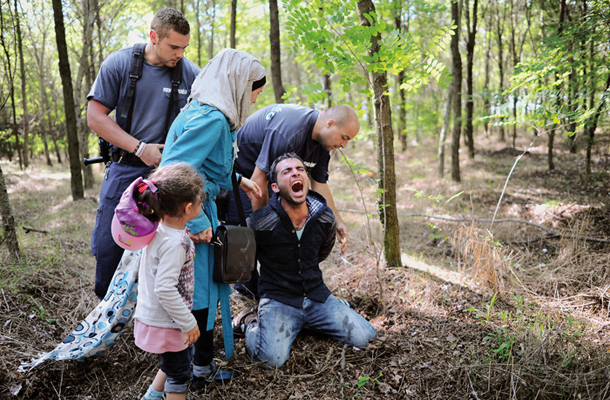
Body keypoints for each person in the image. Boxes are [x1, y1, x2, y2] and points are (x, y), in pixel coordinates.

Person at [159, 48, 265, 387]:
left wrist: (238, 179)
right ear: (236, 83)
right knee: (197, 295)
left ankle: (197, 367)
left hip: (192, 209)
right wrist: (198, 222)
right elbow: (174, 172)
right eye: (255, 88)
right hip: (191, 214)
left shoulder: (200, 110)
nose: (256, 96)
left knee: (199, 293)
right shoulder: (212, 118)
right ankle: (190, 373)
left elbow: (204, 165)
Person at [87, 8, 200, 300]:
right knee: (109, 247)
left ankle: (150, 313)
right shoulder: (120, 63)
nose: (180, 54)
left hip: (169, 177)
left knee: (165, 247)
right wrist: (140, 148)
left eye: (184, 47)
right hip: (126, 168)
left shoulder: (192, 74)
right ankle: (107, 309)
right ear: (153, 36)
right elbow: (95, 117)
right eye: (174, 46)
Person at [233, 153, 377, 368]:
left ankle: (319, 316)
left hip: (317, 297)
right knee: (270, 360)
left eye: (300, 169)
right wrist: (260, 297)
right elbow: (246, 266)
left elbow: (320, 254)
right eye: (287, 171)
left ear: (307, 180)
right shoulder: (259, 222)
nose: (295, 173)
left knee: (366, 337)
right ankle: (249, 322)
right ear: (275, 187)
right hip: (278, 301)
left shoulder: (325, 217)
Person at [227, 103, 360, 299]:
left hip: (271, 179)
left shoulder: (323, 144)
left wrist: (338, 220)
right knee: (248, 239)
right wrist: (263, 224)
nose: (344, 145)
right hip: (243, 177)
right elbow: (258, 180)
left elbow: (319, 183)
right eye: (344, 137)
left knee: (280, 232)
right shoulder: (289, 132)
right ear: (330, 124)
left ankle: (277, 290)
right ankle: (247, 297)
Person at [128, 163, 204, 400]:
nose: (202, 203)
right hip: (167, 322)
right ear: (189, 207)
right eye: (201, 200)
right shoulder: (174, 244)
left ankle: (152, 395)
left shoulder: (160, 230)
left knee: (175, 360)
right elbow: (164, 288)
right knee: (179, 374)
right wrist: (188, 322)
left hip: (157, 319)